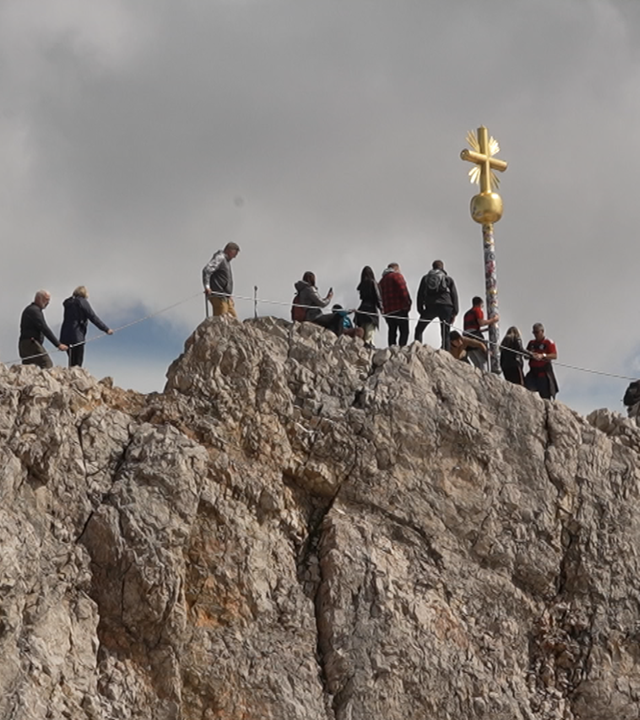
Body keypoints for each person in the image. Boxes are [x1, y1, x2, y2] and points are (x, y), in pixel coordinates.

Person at [60, 286, 113, 368]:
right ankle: (76, 379)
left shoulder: (68, 303)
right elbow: (93, 317)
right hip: (77, 336)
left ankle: (70, 377)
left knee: (71, 361)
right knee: (77, 363)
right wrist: (106, 329)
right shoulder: (82, 302)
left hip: (65, 336)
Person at [414, 260, 459, 351]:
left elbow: (420, 294)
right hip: (446, 306)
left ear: (433, 267)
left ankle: (418, 349)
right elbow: (454, 295)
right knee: (445, 331)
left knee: (419, 329)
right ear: (443, 267)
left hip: (430, 306)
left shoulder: (425, 278)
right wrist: (455, 312)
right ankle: (445, 351)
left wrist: (420, 310)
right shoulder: (448, 279)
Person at [18, 290, 68, 369]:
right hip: (31, 342)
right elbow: (44, 328)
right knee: (47, 363)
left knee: (28, 368)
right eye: (46, 299)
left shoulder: (31, 310)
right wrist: (58, 344)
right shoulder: (34, 311)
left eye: (48, 300)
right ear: (38, 298)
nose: (48, 302)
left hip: (24, 344)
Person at [202, 242, 240, 317]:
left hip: (225, 297)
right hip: (218, 295)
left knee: (233, 319)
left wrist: (229, 296)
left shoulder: (226, 261)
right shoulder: (220, 258)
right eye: (234, 254)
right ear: (229, 250)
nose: (234, 257)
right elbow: (206, 270)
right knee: (222, 319)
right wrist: (207, 287)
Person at [379, 263, 411, 347]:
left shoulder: (381, 281)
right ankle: (401, 347)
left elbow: (379, 296)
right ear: (396, 268)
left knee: (392, 331)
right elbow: (403, 290)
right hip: (400, 308)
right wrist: (408, 303)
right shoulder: (397, 276)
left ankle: (391, 347)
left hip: (388, 311)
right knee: (404, 331)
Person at [463, 296, 499, 369]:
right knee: (483, 360)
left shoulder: (467, 314)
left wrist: (485, 330)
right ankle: (485, 376)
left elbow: (470, 328)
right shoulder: (477, 310)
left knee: (476, 361)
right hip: (475, 336)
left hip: (466, 337)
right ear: (480, 304)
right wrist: (493, 320)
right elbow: (481, 323)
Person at [525, 323, 559, 399]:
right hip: (533, 373)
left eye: (537, 332)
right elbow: (525, 356)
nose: (535, 334)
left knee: (545, 397)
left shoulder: (548, 342)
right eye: (534, 332)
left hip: (543, 374)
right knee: (527, 391)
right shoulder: (531, 343)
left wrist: (543, 355)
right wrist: (530, 355)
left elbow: (554, 355)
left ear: (542, 331)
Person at [354, 266, 382, 348]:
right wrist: (381, 309)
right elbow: (378, 297)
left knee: (363, 330)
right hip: (371, 310)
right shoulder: (373, 283)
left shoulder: (362, 285)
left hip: (362, 309)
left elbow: (361, 297)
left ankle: (363, 345)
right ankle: (369, 344)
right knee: (370, 331)